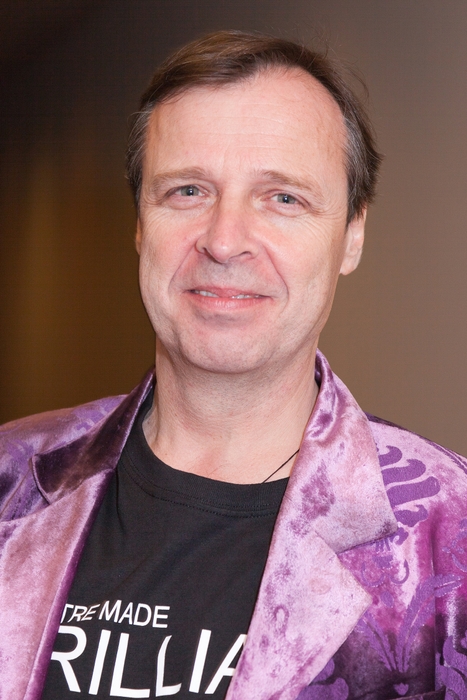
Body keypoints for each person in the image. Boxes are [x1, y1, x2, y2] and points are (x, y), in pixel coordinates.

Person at [0, 30, 466, 700]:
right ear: (140, 223)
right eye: (187, 191)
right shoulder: (12, 479)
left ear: (352, 234)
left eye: (283, 198)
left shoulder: (447, 535)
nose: (223, 241)